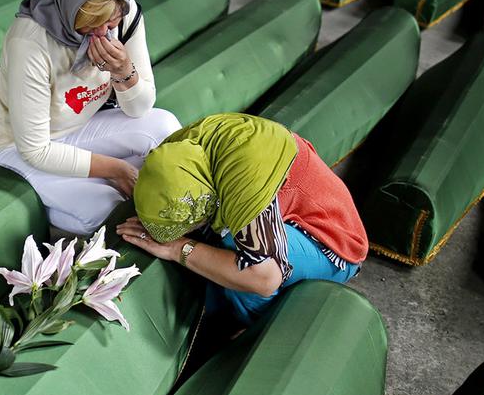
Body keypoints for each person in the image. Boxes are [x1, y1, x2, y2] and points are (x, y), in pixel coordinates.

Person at [0, 0, 181, 234]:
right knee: (108, 208)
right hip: (12, 145)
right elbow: (35, 149)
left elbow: (140, 109)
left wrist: (123, 72)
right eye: (89, 25)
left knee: (165, 126)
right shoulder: (29, 42)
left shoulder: (125, 13)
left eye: (109, 25)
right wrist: (115, 170)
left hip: (76, 128)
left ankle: (66, 188)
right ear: (69, 7)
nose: (101, 34)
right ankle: (34, 198)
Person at [117, 113, 368, 326]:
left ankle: (248, 334)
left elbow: (263, 276)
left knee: (239, 255)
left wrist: (178, 248)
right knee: (220, 249)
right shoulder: (180, 150)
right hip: (283, 212)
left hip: (333, 244)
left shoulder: (244, 183)